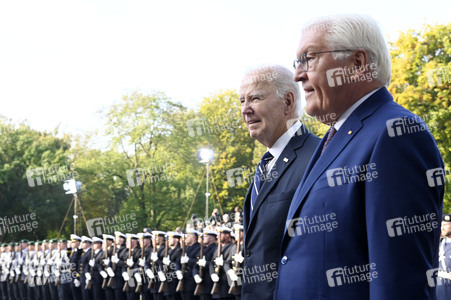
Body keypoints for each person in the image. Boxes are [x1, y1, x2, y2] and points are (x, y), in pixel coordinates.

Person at [275, 14, 445, 299]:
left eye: (309, 59)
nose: (297, 75)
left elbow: (399, 281)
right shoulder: (336, 137)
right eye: (297, 62)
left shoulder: (396, 134)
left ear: (357, 64)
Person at [239, 64, 320, 300]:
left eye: (255, 98)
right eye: (242, 101)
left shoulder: (320, 157)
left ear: (287, 102)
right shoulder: (266, 164)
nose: (245, 110)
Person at [438, 214, 451, 299]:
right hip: (438, 288)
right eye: (441, 225)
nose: (442, 227)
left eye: (445, 225)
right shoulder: (439, 244)